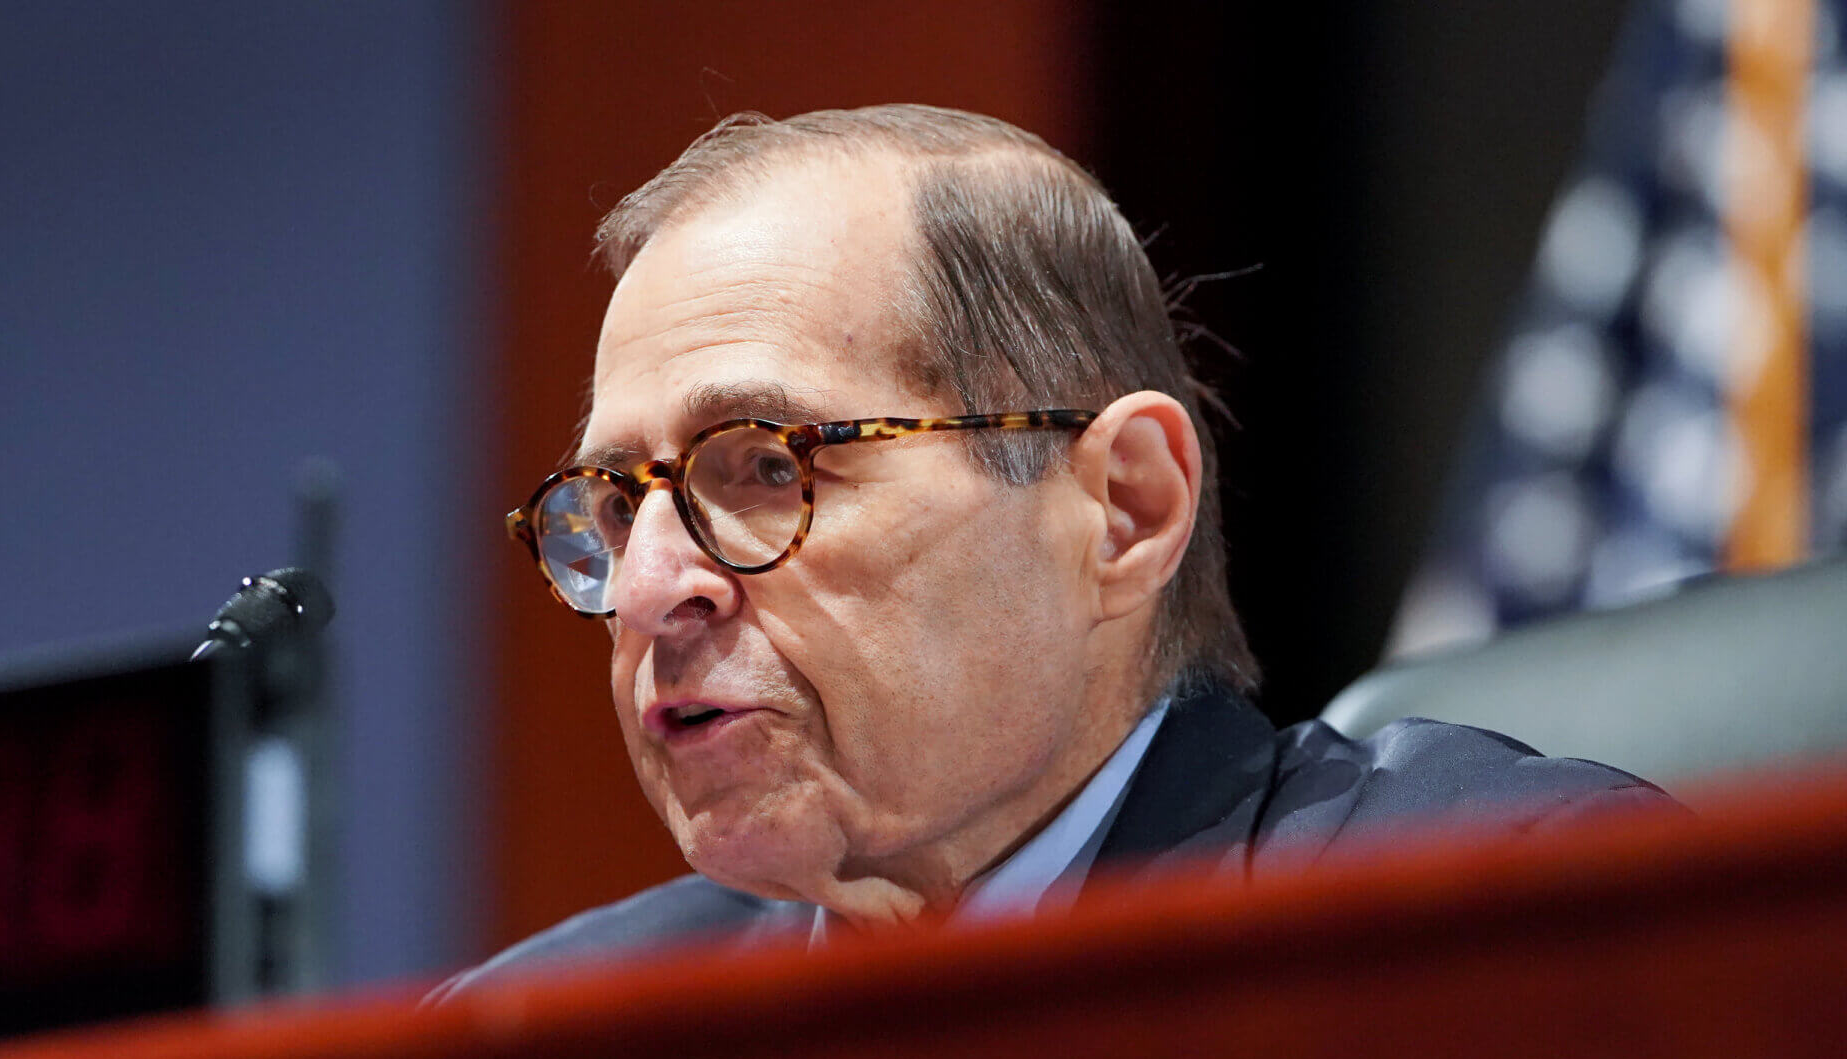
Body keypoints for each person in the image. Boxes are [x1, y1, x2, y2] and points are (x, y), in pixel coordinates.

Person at [440, 105, 1673, 997]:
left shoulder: (1515, 934)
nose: (652, 590)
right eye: (614, 504)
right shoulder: (545, 1056)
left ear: (1122, 510)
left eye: (767, 465)